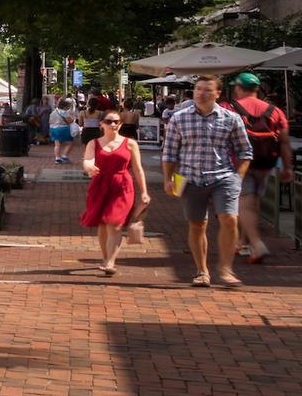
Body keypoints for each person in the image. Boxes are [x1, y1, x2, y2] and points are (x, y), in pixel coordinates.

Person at [161, 74, 254, 288]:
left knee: (229, 219)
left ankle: (226, 269)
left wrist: (237, 177)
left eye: (207, 89)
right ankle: (202, 271)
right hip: (189, 177)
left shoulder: (231, 118)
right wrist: (168, 179)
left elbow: (245, 151)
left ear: (217, 93)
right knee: (197, 224)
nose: (201, 93)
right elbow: (170, 152)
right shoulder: (179, 118)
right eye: (198, 89)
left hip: (223, 177)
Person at [221, 72, 291, 264]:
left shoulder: (228, 108)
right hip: (265, 163)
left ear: (238, 88)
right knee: (254, 201)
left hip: (238, 162)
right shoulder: (275, 111)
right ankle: (244, 242)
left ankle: (257, 244)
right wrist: (287, 168)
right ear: (257, 89)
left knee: (243, 201)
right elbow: (284, 142)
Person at [79, 109, 147, 275]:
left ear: (121, 124)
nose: (113, 124)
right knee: (103, 224)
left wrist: (144, 192)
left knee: (114, 224)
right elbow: (88, 160)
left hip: (123, 185)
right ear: (101, 124)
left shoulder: (130, 143)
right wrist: (89, 167)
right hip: (100, 185)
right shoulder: (94, 143)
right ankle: (105, 257)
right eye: (109, 121)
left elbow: (138, 169)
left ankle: (110, 262)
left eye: (117, 121)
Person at [48, 97, 77, 164]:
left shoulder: (54, 111)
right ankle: (64, 156)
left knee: (57, 145)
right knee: (70, 143)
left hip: (53, 129)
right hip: (63, 128)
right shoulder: (64, 112)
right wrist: (73, 119)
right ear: (65, 106)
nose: (68, 108)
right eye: (68, 106)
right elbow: (70, 121)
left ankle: (57, 158)